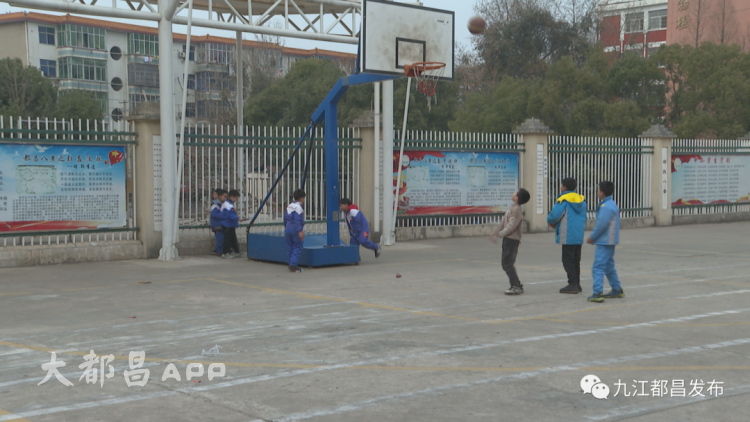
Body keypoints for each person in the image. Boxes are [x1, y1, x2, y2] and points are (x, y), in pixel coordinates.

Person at [547, 178, 587, 294]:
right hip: (578, 234)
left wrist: (549, 220)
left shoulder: (563, 200)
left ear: (564, 187)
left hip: (567, 234)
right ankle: (577, 283)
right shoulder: (582, 201)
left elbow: (554, 216)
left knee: (567, 260)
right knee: (575, 260)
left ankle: (573, 284)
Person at [586, 181, 624, 303]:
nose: (597, 192)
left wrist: (592, 237)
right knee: (608, 266)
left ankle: (597, 292)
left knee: (598, 266)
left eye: (598, 190)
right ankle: (616, 288)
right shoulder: (611, 204)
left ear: (601, 192)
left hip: (604, 240)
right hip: (610, 240)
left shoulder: (606, 206)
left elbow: (601, 225)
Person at [489, 188, 531, 295]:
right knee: (506, 263)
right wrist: (496, 233)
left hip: (512, 240)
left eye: (515, 192)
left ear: (516, 198)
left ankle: (516, 286)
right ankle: (516, 284)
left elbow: (511, 226)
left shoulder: (516, 210)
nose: (513, 193)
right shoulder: (512, 208)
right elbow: (503, 222)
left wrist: (500, 234)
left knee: (507, 263)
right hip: (507, 239)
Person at [284, 189, 306, 273]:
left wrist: (286, 227)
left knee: (289, 247)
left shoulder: (289, 206)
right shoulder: (299, 207)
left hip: (288, 228)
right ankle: (293, 264)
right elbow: (297, 220)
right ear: (302, 198)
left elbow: (285, 218)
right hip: (295, 229)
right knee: (297, 247)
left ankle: (290, 263)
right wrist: (300, 231)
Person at [221, 190, 242, 259]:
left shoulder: (229, 204)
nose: (235, 200)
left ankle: (237, 252)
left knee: (233, 239)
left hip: (230, 225)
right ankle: (225, 253)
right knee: (228, 240)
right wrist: (237, 218)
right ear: (232, 197)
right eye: (235, 198)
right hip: (228, 225)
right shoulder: (227, 204)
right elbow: (229, 215)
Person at [210, 189, 227, 257]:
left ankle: (222, 250)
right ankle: (219, 251)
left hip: (222, 225)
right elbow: (215, 214)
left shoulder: (223, 204)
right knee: (220, 239)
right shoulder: (215, 205)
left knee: (223, 239)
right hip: (217, 225)